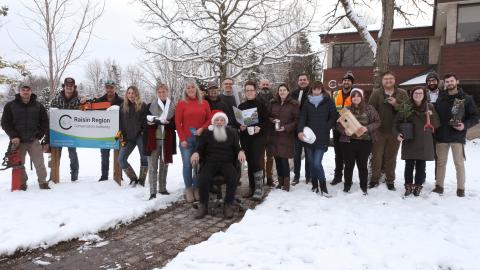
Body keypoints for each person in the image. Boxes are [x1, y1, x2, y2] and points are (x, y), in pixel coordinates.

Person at [191, 112, 246, 219]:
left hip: (227, 162)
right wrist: (196, 152)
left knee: (233, 177)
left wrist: (240, 151)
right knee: (203, 177)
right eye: (217, 120)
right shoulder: (207, 133)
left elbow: (236, 147)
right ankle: (203, 205)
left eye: (222, 120)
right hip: (210, 162)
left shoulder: (232, 132)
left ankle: (228, 204)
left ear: (225, 122)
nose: (219, 122)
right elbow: (200, 148)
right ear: (214, 122)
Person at [433, 73, 479, 197]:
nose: (449, 83)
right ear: (445, 84)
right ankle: (439, 186)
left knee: (458, 163)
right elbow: (435, 115)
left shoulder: (466, 98)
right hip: (441, 135)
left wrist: (464, 125)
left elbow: (475, 117)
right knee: (441, 162)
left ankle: (461, 189)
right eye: (447, 82)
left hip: (457, 136)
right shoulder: (440, 98)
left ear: (457, 82)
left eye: (451, 81)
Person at [1, 85, 50, 190]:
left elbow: (45, 122)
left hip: (33, 140)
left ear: (31, 92)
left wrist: (39, 135)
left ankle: (43, 182)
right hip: (18, 141)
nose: (25, 92)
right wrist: (13, 136)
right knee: (19, 164)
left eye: (28, 90)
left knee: (40, 163)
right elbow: (5, 123)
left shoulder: (38, 106)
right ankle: (22, 183)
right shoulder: (10, 106)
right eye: (23, 90)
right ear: (19, 92)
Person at [394, 86, 440, 197]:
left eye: (420, 93)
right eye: (415, 93)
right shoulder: (406, 107)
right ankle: (408, 185)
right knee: (409, 165)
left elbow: (436, 124)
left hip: (424, 140)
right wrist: (397, 134)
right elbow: (396, 123)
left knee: (420, 164)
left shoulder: (430, 107)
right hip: (410, 139)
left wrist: (431, 116)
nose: (418, 95)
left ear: (424, 95)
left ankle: (418, 185)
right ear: (412, 95)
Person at [368, 71, 409, 191]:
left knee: (391, 157)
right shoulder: (376, 93)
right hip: (378, 131)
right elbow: (370, 110)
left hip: (395, 131)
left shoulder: (402, 93)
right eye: (386, 79)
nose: (388, 81)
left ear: (394, 80)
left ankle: (390, 180)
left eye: (390, 78)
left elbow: (407, 111)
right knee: (377, 157)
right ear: (382, 81)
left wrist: (396, 104)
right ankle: (374, 179)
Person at [337, 88, 380, 195]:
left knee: (362, 165)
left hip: (365, 142)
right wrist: (344, 131)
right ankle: (347, 185)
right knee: (348, 165)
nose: (356, 98)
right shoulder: (346, 110)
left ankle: (363, 186)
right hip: (348, 142)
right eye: (353, 96)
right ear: (351, 98)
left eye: (358, 96)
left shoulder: (370, 109)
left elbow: (378, 122)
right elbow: (338, 124)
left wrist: (367, 128)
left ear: (362, 97)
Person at [297, 81, 336, 196]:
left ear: (322, 90)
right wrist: (300, 131)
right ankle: (314, 185)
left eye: (318, 89)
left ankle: (323, 187)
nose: (316, 91)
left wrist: (326, 127)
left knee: (316, 163)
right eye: (314, 89)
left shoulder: (328, 101)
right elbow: (303, 117)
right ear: (312, 90)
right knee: (311, 162)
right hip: (309, 137)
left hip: (322, 137)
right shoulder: (307, 102)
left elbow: (333, 116)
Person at [175, 80, 211, 203]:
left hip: (201, 139)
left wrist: (202, 128)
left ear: (196, 89)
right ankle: (188, 188)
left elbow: (209, 119)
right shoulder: (181, 104)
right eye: (188, 87)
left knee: (199, 164)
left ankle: (196, 187)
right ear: (185, 90)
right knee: (188, 164)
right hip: (187, 140)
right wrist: (182, 139)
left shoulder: (204, 103)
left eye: (192, 87)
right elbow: (177, 123)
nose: (190, 89)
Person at [144, 83, 176, 200]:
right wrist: (149, 123)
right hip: (153, 139)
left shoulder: (172, 106)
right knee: (152, 166)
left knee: (164, 165)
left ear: (167, 92)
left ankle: (162, 188)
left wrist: (168, 123)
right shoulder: (150, 106)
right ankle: (152, 192)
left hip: (167, 139)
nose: (162, 94)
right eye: (159, 92)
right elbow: (144, 122)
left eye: (164, 91)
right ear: (157, 93)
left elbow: (175, 124)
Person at [237, 80, 268, 200]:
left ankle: (259, 188)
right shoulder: (241, 106)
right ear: (245, 92)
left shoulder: (261, 105)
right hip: (245, 138)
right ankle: (252, 187)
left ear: (255, 91)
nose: (249, 92)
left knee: (256, 161)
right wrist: (241, 126)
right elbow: (238, 123)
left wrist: (259, 127)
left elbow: (266, 121)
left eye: (251, 90)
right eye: (247, 90)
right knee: (250, 162)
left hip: (258, 138)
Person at [268, 83, 299, 191]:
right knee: (277, 158)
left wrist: (286, 127)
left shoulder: (294, 104)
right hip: (274, 135)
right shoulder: (273, 103)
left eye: (284, 90)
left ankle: (286, 183)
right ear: (278, 92)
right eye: (280, 90)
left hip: (286, 135)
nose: (282, 92)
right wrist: (273, 120)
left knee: (284, 159)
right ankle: (280, 181)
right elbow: (268, 116)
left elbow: (297, 120)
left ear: (288, 91)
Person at [49, 77, 80, 181]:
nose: (69, 88)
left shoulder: (79, 100)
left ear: (74, 87)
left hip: (72, 134)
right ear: (64, 87)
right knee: (56, 155)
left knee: (73, 155)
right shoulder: (56, 99)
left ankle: (74, 177)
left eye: (71, 86)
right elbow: (51, 116)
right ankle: (53, 176)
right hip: (58, 133)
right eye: (67, 86)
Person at [118, 86, 148, 186]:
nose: (131, 95)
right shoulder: (123, 106)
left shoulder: (142, 105)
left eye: (133, 93)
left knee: (144, 158)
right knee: (121, 159)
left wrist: (143, 133)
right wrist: (121, 134)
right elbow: (121, 122)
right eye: (129, 93)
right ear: (126, 94)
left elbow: (145, 122)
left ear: (136, 94)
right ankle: (133, 178)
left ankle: (142, 180)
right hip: (128, 137)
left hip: (140, 135)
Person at [96, 80, 124, 181]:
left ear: (115, 88)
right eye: (107, 87)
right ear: (105, 88)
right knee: (104, 155)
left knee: (119, 155)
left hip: (118, 132)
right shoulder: (100, 100)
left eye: (111, 87)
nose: (109, 90)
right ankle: (104, 176)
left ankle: (119, 175)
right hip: (104, 133)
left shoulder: (121, 101)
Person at [331, 71, 354, 186]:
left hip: (349, 129)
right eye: (344, 80)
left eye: (348, 80)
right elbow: (332, 109)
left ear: (352, 83)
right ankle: (337, 176)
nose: (346, 82)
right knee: (338, 154)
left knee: (348, 154)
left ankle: (348, 178)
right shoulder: (335, 94)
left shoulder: (355, 94)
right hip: (336, 128)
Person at [291, 73, 311, 185]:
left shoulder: (311, 93)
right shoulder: (294, 93)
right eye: (300, 80)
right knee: (296, 155)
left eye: (304, 79)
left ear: (308, 81)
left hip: (308, 128)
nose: (302, 81)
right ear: (298, 82)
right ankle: (296, 176)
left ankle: (308, 176)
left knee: (308, 155)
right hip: (296, 129)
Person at [257, 79, 275, 187]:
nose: (265, 86)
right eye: (263, 84)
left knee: (270, 156)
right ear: (260, 85)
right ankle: (262, 176)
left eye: (267, 84)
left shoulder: (274, 98)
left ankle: (269, 177)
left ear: (269, 85)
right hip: (260, 131)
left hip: (271, 130)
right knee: (260, 156)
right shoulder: (256, 98)